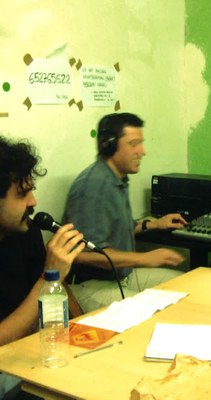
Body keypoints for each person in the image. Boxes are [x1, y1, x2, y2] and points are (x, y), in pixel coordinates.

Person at [62, 113, 187, 312]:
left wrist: (155, 224)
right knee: (156, 311)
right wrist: (145, 258)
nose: (142, 151)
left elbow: (119, 229)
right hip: (91, 286)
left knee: (185, 286)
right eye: (133, 144)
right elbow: (83, 255)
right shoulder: (93, 186)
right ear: (109, 145)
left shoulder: (117, 179)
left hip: (123, 276)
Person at [0, 136, 85, 398]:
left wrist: (85, 329)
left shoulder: (26, 232)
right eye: (22, 193)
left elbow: (58, 289)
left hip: (38, 350)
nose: (33, 202)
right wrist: (49, 277)